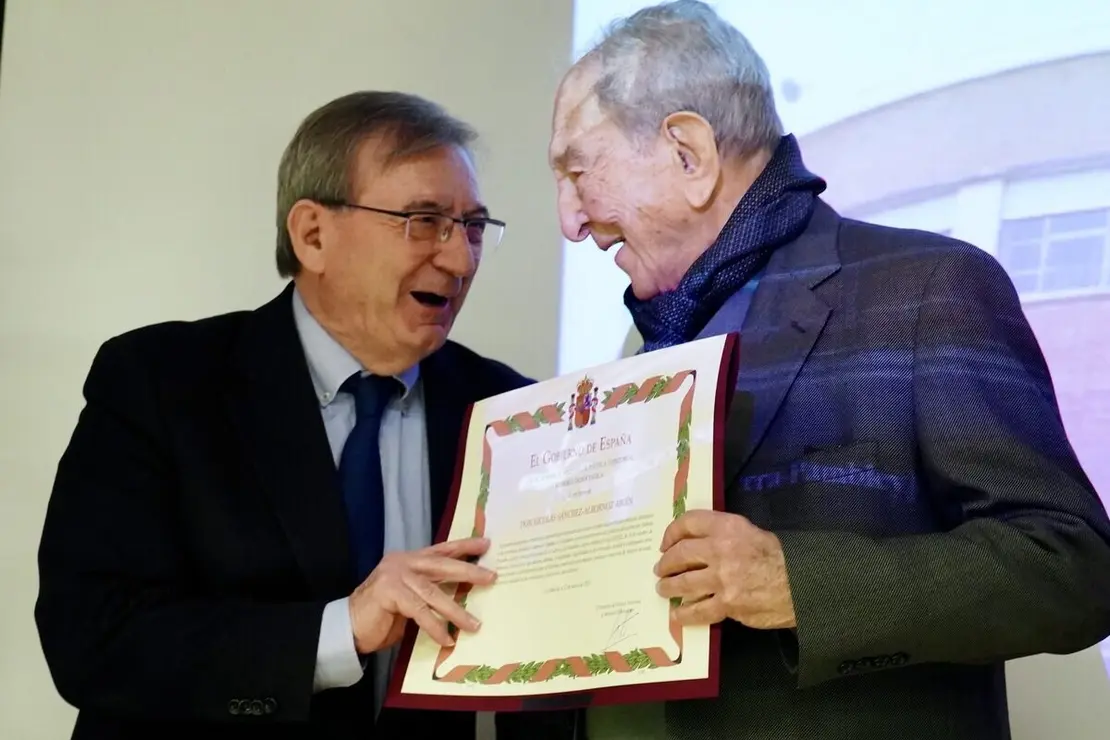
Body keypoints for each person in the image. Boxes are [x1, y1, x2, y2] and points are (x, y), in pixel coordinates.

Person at [497, 2, 1110, 739]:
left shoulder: (930, 286)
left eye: (576, 169)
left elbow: (1072, 568)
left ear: (688, 152)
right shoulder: (645, 347)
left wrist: (796, 583)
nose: (568, 219)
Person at [35, 91, 530, 739]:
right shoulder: (159, 382)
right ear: (313, 234)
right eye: (423, 221)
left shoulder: (507, 409)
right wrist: (340, 630)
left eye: (472, 227)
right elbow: (95, 638)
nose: (461, 259)